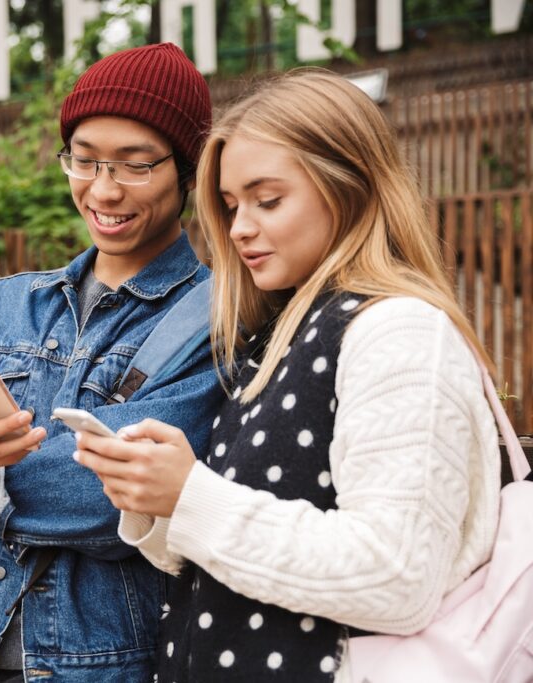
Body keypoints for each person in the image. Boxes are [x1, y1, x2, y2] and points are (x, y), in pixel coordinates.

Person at [74, 69, 502, 682]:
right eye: (230, 205)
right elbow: (241, 553)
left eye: (267, 200)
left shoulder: (399, 331)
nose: (240, 226)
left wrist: (193, 495)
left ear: (349, 187)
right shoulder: (281, 331)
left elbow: (397, 576)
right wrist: (157, 504)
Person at [0, 43, 222, 681]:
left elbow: (102, 497)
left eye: (135, 165)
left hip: (96, 664)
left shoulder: (214, 324)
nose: (104, 189)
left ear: (189, 170)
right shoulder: (0, 306)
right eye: (85, 160)